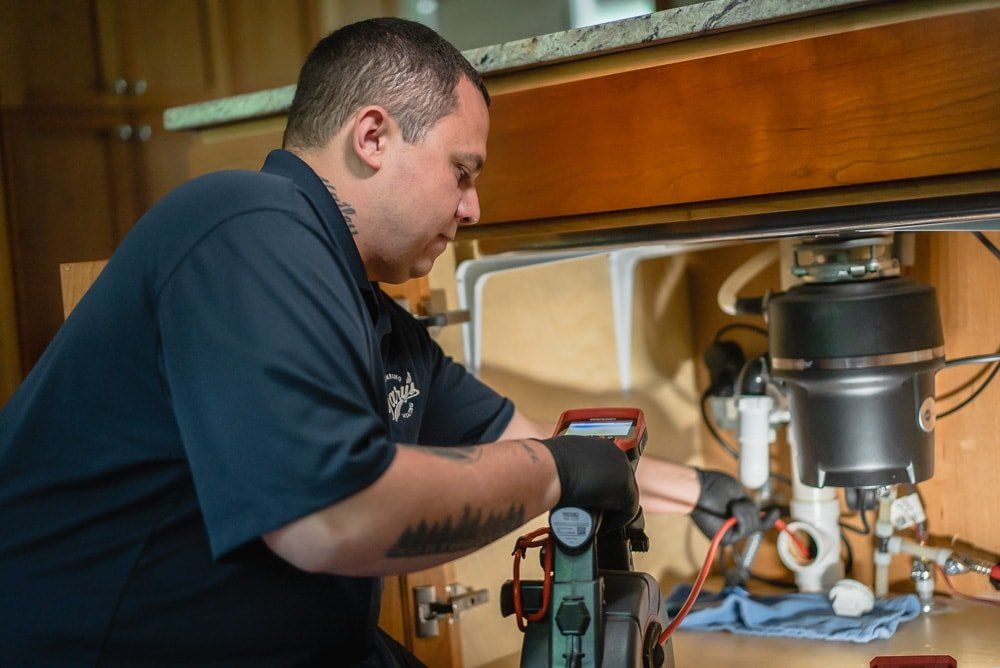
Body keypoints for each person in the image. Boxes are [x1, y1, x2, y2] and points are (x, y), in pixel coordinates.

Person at [0, 18, 763, 666]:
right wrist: (557, 472)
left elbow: (517, 437)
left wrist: (703, 491)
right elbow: (335, 515)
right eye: (462, 172)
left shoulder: (365, 312)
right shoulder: (245, 225)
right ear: (372, 136)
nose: (472, 208)